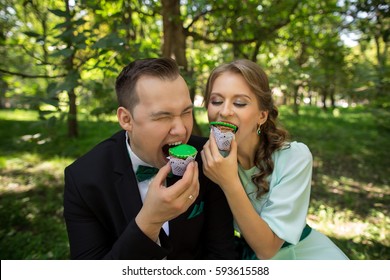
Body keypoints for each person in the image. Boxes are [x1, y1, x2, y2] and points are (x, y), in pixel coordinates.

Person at [63, 57, 236, 259]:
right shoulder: (84, 179)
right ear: (126, 119)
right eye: (163, 117)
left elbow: (222, 258)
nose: (181, 130)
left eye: (186, 112)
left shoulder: (207, 157)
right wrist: (150, 221)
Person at [201, 59, 349, 260]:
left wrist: (229, 182)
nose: (224, 111)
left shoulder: (294, 157)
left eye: (239, 103)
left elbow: (267, 249)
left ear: (262, 115)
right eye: (216, 101)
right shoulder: (210, 158)